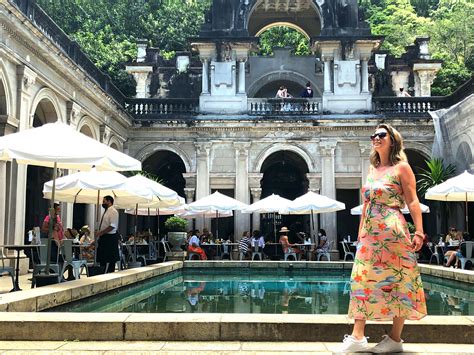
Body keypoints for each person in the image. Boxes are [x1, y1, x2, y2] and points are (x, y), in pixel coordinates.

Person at [341, 124, 426, 353]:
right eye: (374, 135)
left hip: (393, 231)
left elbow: (413, 201)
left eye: (381, 135)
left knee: (399, 281)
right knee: (362, 279)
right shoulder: (372, 169)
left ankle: (395, 339)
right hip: (370, 233)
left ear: (392, 140)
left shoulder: (402, 168)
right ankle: (358, 336)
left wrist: (418, 231)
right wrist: (361, 233)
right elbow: (367, 204)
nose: (376, 138)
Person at [95, 195, 120, 273]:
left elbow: (112, 226)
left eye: (104, 201)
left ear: (109, 201)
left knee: (111, 258)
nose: (103, 203)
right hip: (104, 237)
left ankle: (110, 273)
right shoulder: (106, 211)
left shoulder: (113, 211)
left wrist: (100, 233)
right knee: (102, 257)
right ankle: (102, 272)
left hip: (110, 237)